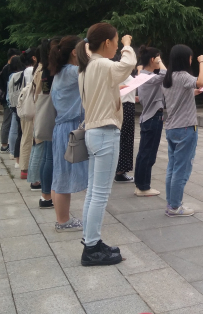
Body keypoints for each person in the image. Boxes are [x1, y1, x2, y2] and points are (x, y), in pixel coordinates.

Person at [77, 23, 136, 266]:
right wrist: (128, 45)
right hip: (105, 133)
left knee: (93, 192)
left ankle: (91, 240)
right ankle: (91, 249)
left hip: (94, 131)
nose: (117, 46)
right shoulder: (102, 64)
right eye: (116, 41)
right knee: (100, 194)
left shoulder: (87, 67)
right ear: (107, 43)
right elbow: (128, 64)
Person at [162, 44, 203, 217]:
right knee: (182, 169)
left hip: (172, 128)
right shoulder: (183, 76)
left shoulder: (168, 77)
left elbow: (177, 96)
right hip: (186, 128)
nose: (191, 60)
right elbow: (202, 81)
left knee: (172, 167)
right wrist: (201, 62)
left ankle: (170, 203)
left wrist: (192, 93)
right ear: (185, 59)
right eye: (191, 58)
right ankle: (175, 206)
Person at [50, 35, 87, 232]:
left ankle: (61, 219)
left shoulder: (61, 71)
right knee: (63, 177)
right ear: (75, 52)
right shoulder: (73, 72)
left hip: (61, 128)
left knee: (59, 175)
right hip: (69, 128)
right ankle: (63, 221)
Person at [28, 37, 60, 205]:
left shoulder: (44, 68)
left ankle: (45, 193)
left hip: (45, 112)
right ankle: (46, 194)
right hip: (51, 113)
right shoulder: (50, 70)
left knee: (46, 155)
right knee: (49, 157)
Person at [134, 46, 167, 197]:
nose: (160, 61)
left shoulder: (145, 76)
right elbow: (166, 74)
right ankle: (143, 187)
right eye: (158, 58)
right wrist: (160, 62)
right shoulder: (147, 77)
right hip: (153, 118)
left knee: (144, 153)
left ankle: (140, 184)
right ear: (153, 59)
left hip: (149, 117)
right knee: (148, 154)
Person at [115, 56, 136, 183]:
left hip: (123, 106)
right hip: (126, 107)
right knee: (126, 138)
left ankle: (118, 169)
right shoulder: (125, 75)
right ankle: (120, 171)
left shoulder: (117, 74)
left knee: (122, 138)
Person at [18, 48, 38, 179]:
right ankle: (25, 168)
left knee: (25, 137)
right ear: (34, 58)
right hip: (30, 105)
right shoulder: (31, 70)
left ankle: (24, 167)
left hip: (25, 105)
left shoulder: (24, 71)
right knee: (29, 138)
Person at [0, 48, 21, 152]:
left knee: (9, 121)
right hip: (9, 100)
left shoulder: (6, 68)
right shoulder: (9, 70)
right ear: (12, 57)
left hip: (7, 99)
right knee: (8, 122)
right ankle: (4, 144)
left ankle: (6, 144)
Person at [6, 56, 25, 167]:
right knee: (18, 130)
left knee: (14, 129)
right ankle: (15, 152)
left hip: (13, 104)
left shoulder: (11, 75)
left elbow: (9, 91)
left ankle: (12, 151)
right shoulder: (21, 74)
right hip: (20, 104)